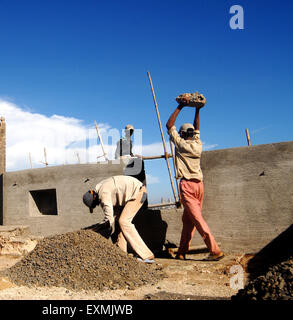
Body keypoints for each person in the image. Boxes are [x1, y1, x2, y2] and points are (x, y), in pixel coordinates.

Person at [166, 100, 224, 261]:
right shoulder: (198, 144)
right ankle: (182, 252)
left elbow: (169, 125)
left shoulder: (181, 144)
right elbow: (197, 127)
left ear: (183, 134)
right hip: (200, 186)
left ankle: (215, 251)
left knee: (197, 220)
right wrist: (197, 110)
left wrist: (181, 106)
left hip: (187, 186)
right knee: (188, 221)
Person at [82, 175, 155, 263]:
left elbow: (109, 220)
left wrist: (96, 228)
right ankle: (121, 253)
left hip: (138, 193)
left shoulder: (103, 194)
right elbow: (111, 216)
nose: (97, 205)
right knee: (119, 221)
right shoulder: (101, 187)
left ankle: (146, 255)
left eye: (95, 204)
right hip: (131, 195)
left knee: (124, 221)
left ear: (94, 198)